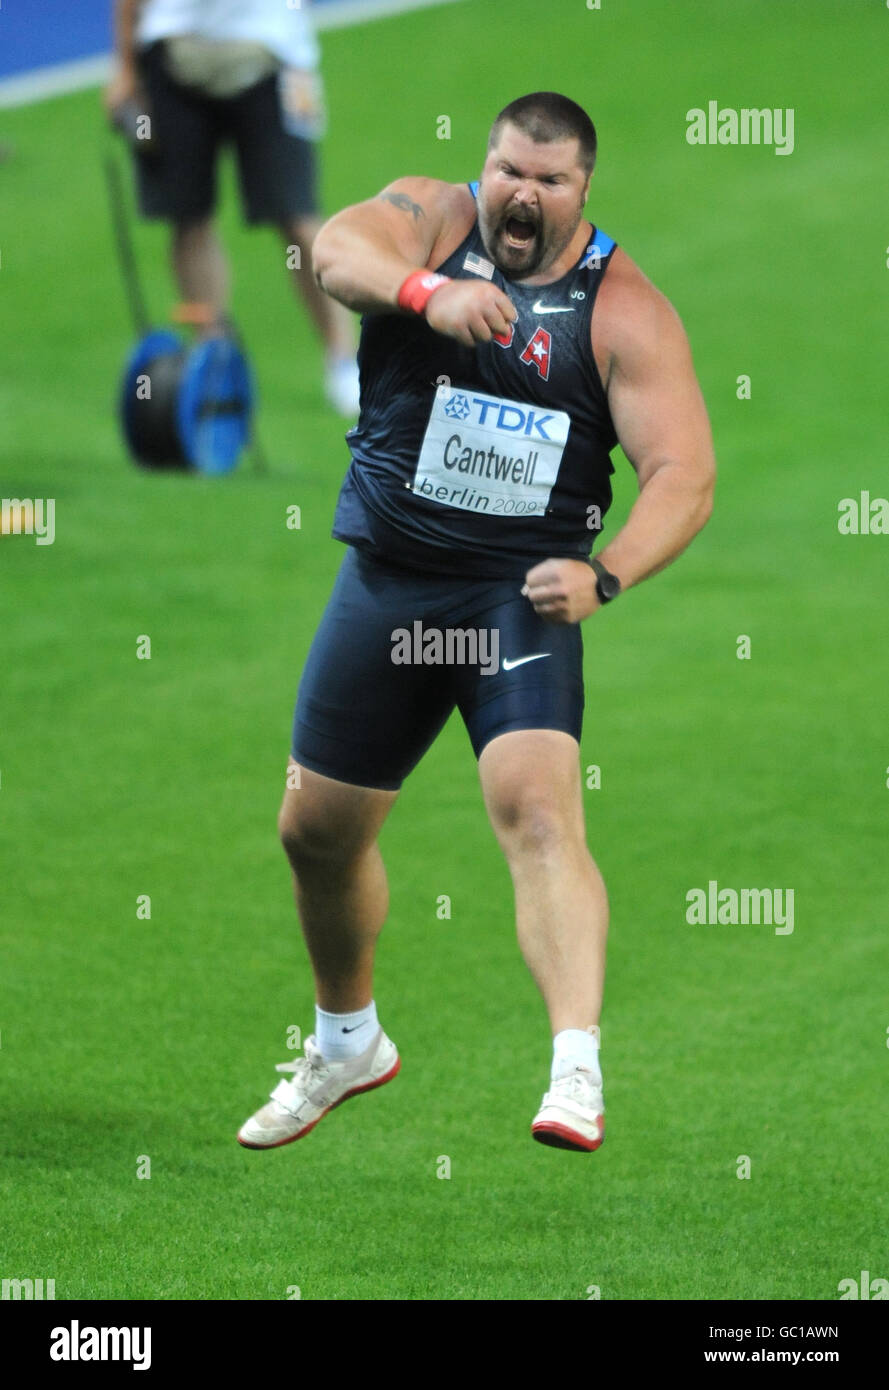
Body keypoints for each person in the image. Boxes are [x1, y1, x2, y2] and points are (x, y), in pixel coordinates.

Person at [237, 92, 716, 1154]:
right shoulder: (434, 219)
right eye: (508, 170)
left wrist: (610, 575)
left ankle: (575, 1069)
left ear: (583, 189)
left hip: (515, 593)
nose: (520, 194)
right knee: (314, 832)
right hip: (389, 580)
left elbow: (682, 473)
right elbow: (333, 252)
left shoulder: (623, 307)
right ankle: (346, 1040)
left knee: (537, 811)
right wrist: (424, 295)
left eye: (547, 181)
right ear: (485, 164)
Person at [104, 0, 359, 416]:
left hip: (274, 57)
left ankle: (343, 360)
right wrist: (126, 70)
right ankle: (213, 356)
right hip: (173, 57)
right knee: (189, 220)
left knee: (296, 219)